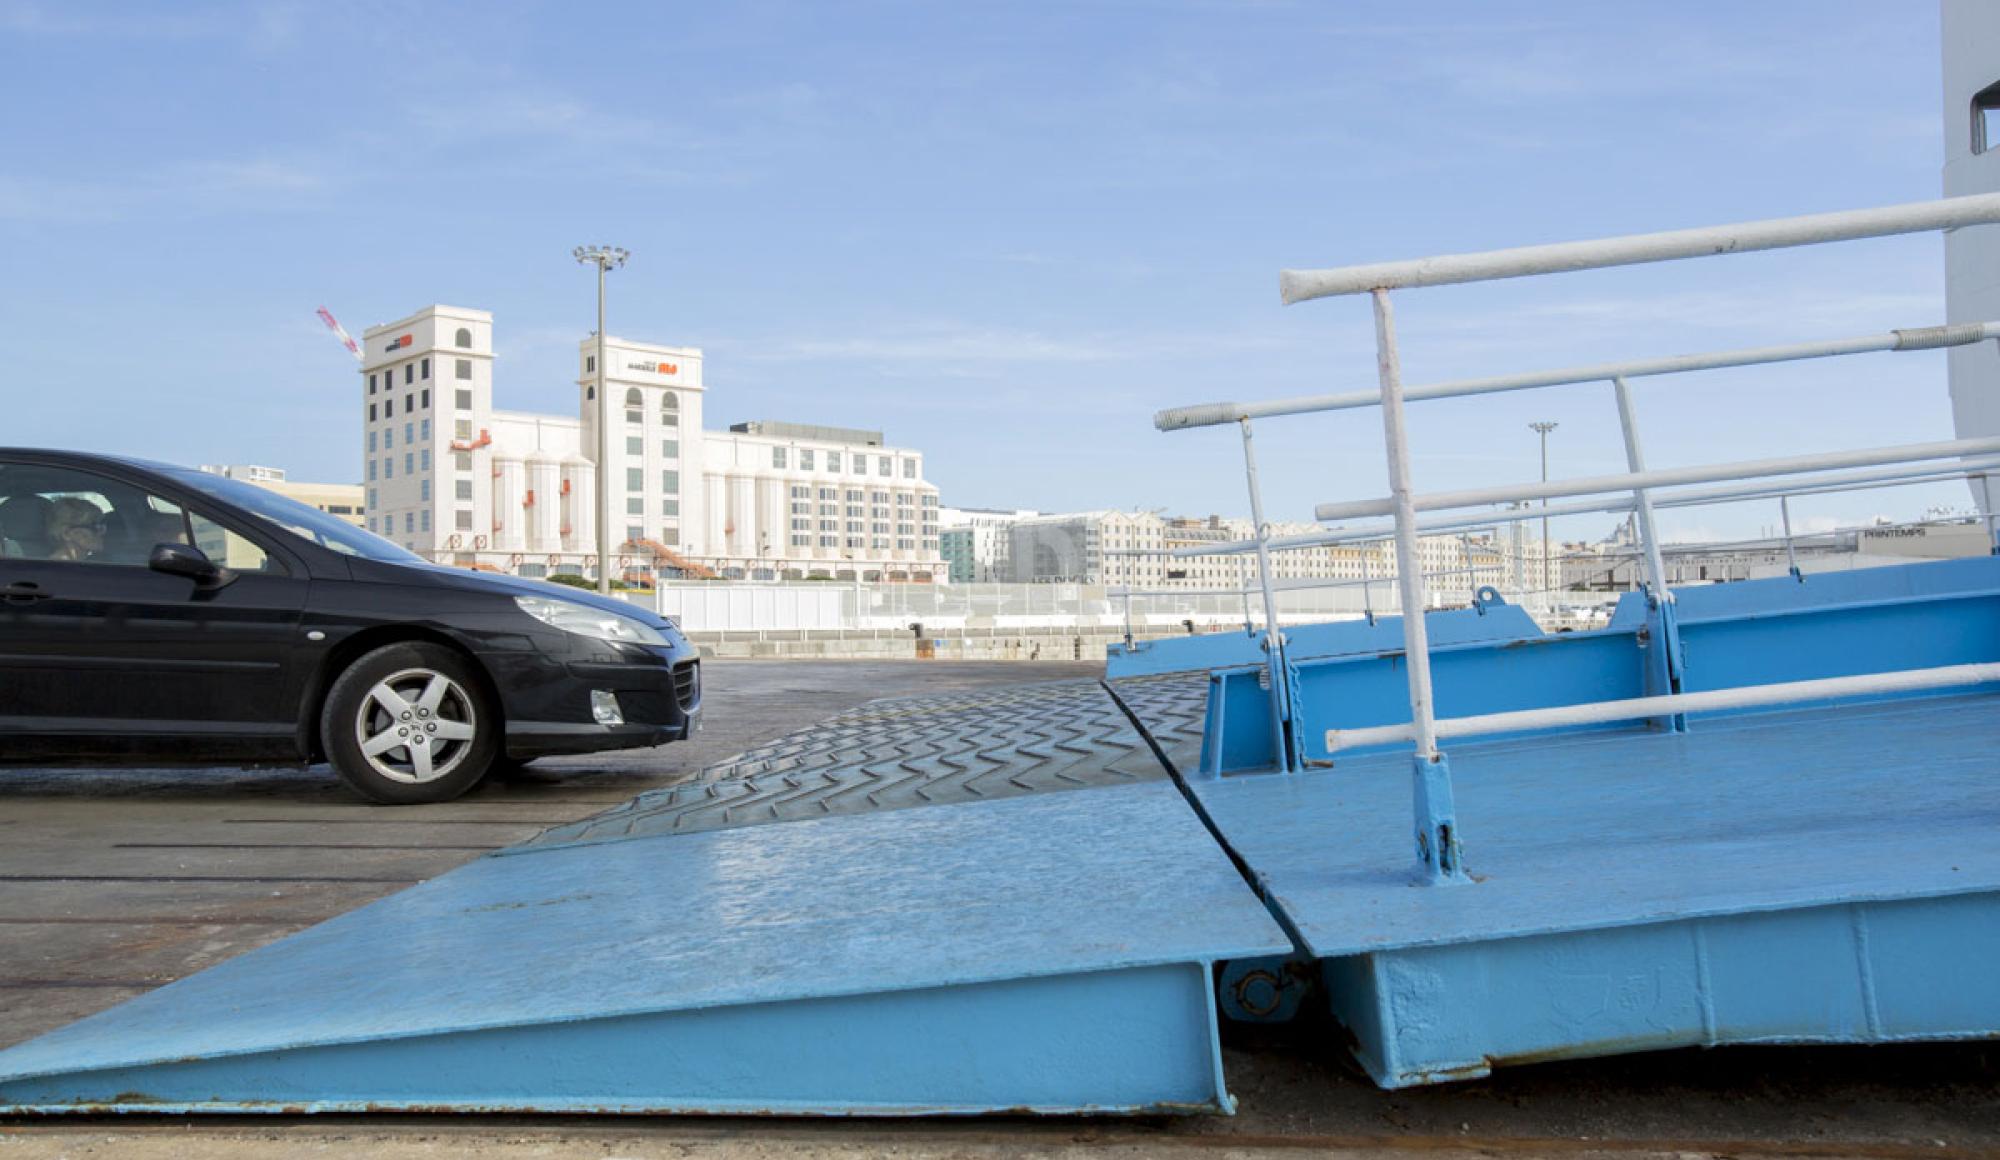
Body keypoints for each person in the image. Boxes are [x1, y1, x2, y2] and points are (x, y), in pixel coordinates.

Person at [46, 497, 109, 563]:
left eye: (100, 525)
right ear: (66, 533)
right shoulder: (58, 569)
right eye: (94, 526)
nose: (103, 531)